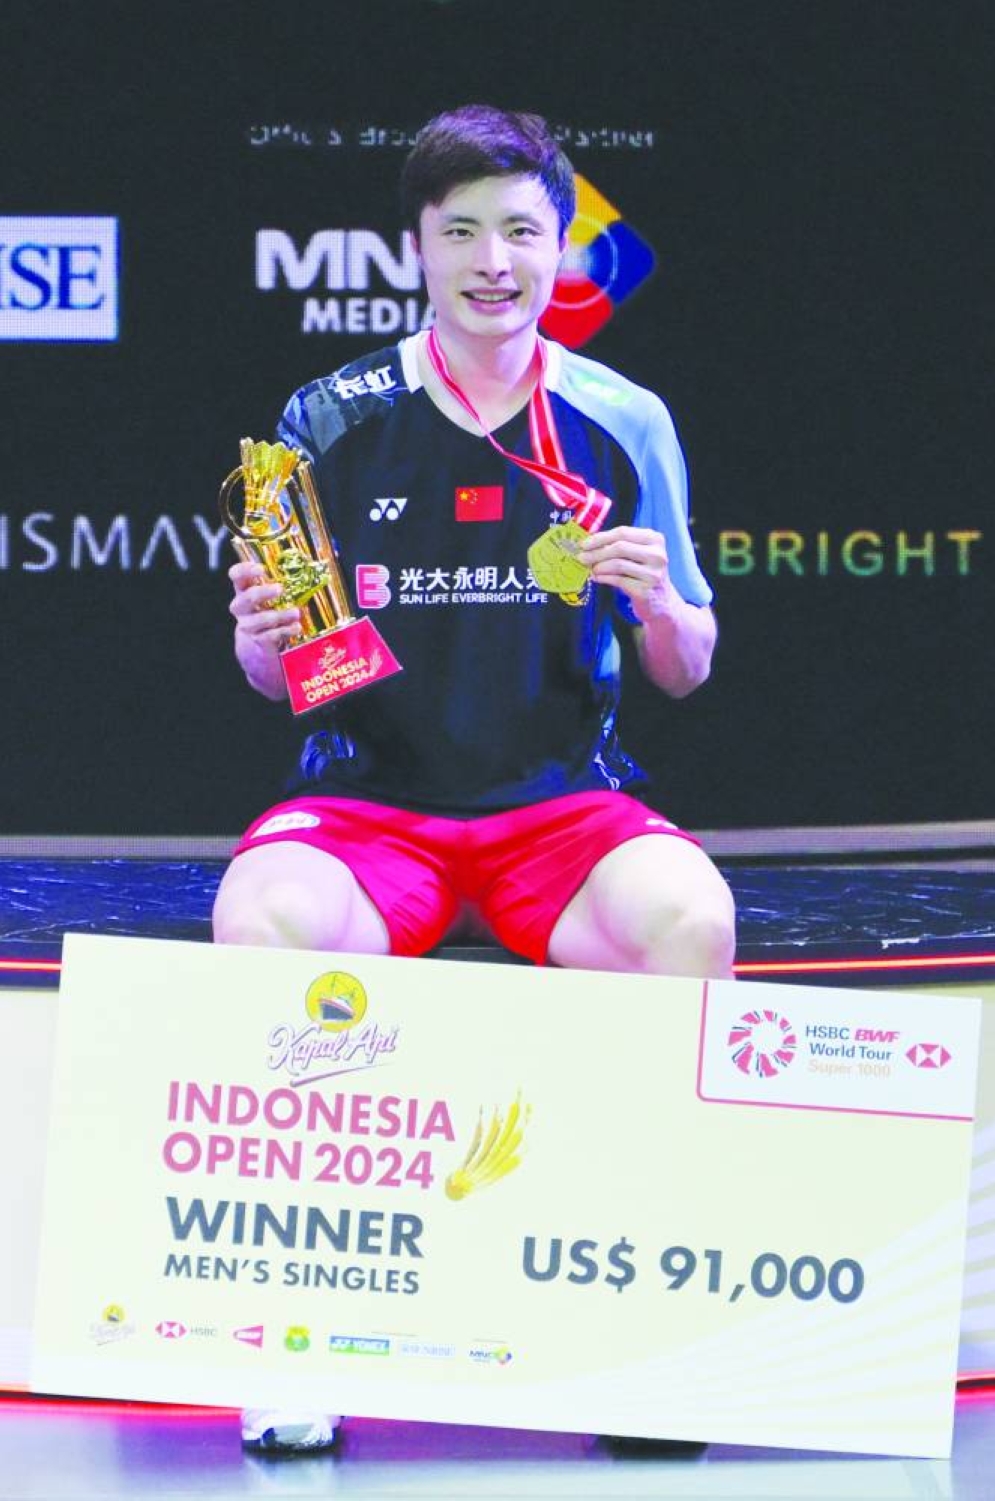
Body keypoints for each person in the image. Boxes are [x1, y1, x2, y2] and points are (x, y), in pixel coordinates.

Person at [216, 104, 735, 1451]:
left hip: (559, 808)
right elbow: (284, 675)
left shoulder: (624, 419)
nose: (492, 260)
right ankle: (299, 1338)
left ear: (560, 246)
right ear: (417, 250)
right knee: (260, 915)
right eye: (461, 235)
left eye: (519, 231)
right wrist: (260, 639)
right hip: (368, 806)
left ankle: (642, 1330)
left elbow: (688, 661)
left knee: (691, 915)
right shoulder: (321, 417)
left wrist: (655, 605)